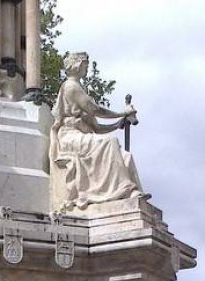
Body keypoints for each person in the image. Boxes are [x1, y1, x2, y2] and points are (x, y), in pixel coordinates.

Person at [49, 51, 142, 212]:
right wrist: (123, 113)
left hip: (83, 135)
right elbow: (95, 109)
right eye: (85, 64)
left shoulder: (81, 90)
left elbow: (97, 128)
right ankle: (124, 188)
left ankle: (132, 193)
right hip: (69, 136)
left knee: (125, 156)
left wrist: (118, 123)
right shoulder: (71, 86)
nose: (87, 68)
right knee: (110, 142)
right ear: (77, 65)